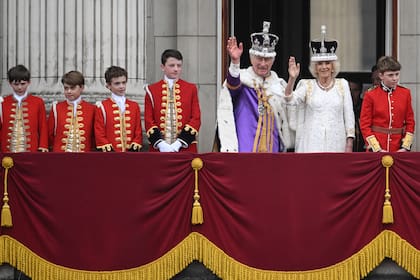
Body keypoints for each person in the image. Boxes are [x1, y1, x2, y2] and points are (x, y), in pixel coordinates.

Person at [216, 21, 294, 152]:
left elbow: (289, 114)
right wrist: (235, 62)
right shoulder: (244, 80)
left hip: (273, 148)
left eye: (267, 59)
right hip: (245, 146)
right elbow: (232, 86)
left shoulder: (279, 85)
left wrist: (292, 80)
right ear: (251, 58)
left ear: (273, 60)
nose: (263, 63)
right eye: (259, 58)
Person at [285, 25, 355, 152]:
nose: (324, 67)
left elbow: (349, 116)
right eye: (320, 64)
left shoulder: (342, 84)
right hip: (312, 143)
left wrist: (349, 143)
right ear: (315, 67)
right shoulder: (307, 85)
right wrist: (292, 79)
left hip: (337, 143)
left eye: (327, 63)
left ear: (333, 66)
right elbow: (290, 100)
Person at [144, 49, 201, 152]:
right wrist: (160, 144)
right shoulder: (151, 90)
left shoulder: (191, 88)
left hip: (185, 148)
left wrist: (179, 143)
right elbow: (148, 120)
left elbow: (196, 118)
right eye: (172, 65)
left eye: (179, 66)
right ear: (162, 67)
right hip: (159, 149)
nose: (176, 69)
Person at [360, 56, 415, 152]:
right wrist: (376, 148)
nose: (395, 78)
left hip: (399, 147)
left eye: (397, 74)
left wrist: (405, 146)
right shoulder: (370, 95)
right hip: (377, 147)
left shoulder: (405, 93)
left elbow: (410, 122)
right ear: (381, 75)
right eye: (390, 75)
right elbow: (365, 124)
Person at [0, 64, 48, 152]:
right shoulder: (2, 102)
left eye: (23, 84)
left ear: (29, 82)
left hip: (31, 150)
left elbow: (43, 126)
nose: (19, 87)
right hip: (6, 152)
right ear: (10, 83)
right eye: (16, 84)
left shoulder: (38, 102)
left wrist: (43, 145)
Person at [94, 66, 143, 152]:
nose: (121, 86)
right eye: (117, 83)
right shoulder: (102, 107)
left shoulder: (134, 106)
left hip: (131, 155)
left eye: (123, 83)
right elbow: (99, 132)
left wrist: (136, 142)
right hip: (111, 155)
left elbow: (138, 130)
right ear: (108, 86)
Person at [48, 71, 96, 152]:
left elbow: (93, 138)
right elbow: (50, 135)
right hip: (60, 157)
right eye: (66, 88)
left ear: (82, 88)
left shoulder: (92, 109)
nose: (69, 91)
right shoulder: (56, 108)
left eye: (72, 88)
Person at [348, 80, 365, 152]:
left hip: (362, 150)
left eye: (355, 90)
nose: (351, 94)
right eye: (349, 90)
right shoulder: (339, 107)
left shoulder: (365, 106)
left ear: (360, 91)